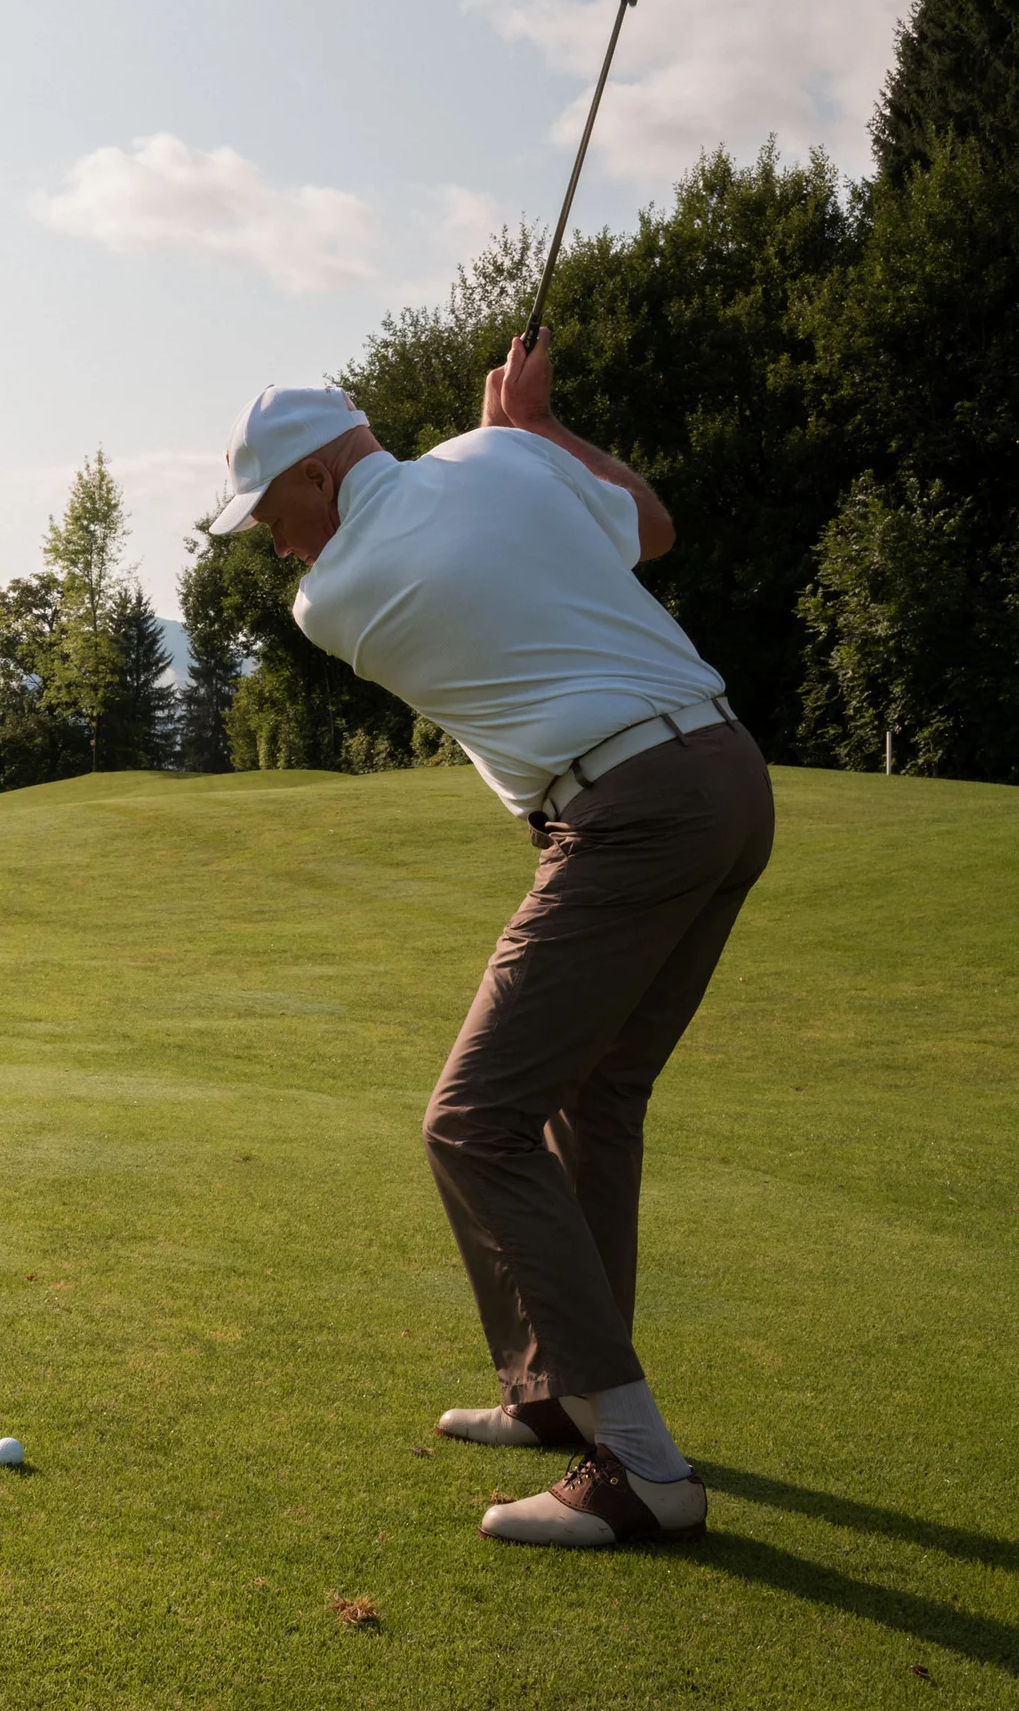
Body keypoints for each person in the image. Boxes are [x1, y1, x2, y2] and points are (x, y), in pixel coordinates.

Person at [209, 333, 773, 1548]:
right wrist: (536, 428)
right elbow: (654, 529)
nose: (273, 542)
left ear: (316, 477)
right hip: (728, 781)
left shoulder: (332, 600)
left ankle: (641, 1467)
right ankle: (558, 1393)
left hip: (626, 812)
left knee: (472, 1120)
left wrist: (514, 437)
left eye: (267, 512)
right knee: (597, 1098)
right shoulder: (503, 456)